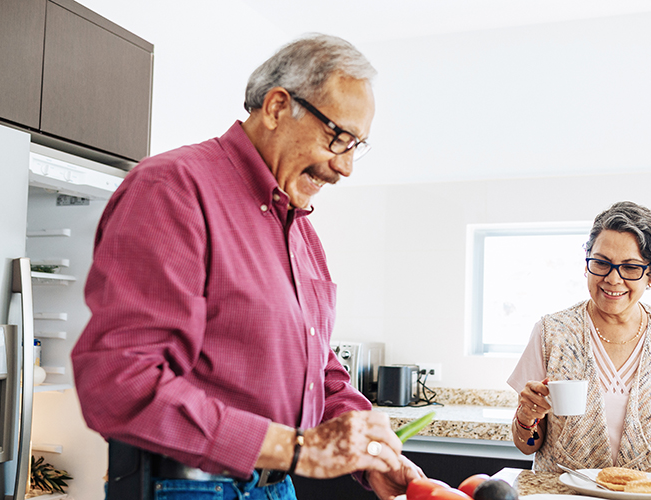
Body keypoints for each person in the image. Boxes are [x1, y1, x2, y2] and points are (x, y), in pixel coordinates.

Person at [71, 34, 421, 500]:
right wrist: (297, 448)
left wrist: (371, 453)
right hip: (190, 487)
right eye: (339, 138)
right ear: (277, 107)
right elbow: (121, 381)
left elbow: (316, 368)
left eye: (357, 146)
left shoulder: (299, 229)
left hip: (276, 487)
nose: (346, 168)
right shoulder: (172, 189)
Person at [507, 201, 651, 488]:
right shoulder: (551, 333)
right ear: (587, 263)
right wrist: (526, 418)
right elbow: (527, 444)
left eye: (630, 267)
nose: (612, 278)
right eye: (602, 263)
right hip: (566, 496)